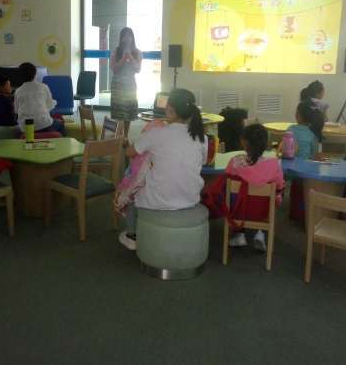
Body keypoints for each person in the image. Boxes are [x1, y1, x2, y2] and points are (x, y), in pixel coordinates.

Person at [119, 88, 207, 250]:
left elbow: (129, 152)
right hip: (190, 198)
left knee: (132, 190)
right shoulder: (202, 137)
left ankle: (132, 234)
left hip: (158, 200)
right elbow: (202, 162)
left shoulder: (156, 133)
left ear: (171, 110)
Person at [225, 124, 285, 251]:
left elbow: (226, 179)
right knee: (274, 195)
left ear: (243, 142)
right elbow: (280, 187)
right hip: (262, 211)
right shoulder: (274, 165)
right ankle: (260, 232)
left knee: (234, 193)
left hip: (238, 210)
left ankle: (239, 234)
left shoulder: (234, 162)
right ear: (265, 143)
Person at [288, 101, 324, 222]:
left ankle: (295, 213)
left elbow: (285, 150)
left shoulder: (290, 129)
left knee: (296, 190)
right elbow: (314, 155)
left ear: (298, 115)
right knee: (304, 191)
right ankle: (304, 213)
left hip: (290, 168)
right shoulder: (313, 133)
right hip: (307, 172)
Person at [14, 62, 66, 135]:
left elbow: (16, 111)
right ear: (35, 74)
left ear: (19, 76)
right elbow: (49, 106)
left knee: (16, 130)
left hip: (25, 128)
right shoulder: (44, 87)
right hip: (45, 125)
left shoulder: (18, 91)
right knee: (60, 124)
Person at [110, 27, 142, 136]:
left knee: (128, 114)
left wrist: (131, 57)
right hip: (118, 86)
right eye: (124, 36)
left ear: (133, 38)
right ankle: (118, 137)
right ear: (121, 38)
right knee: (119, 114)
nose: (127, 38)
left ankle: (125, 137)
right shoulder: (116, 51)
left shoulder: (137, 52)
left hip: (130, 86)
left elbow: (138, 69)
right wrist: (123, 58)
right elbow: (114, 69)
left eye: (129, 36)